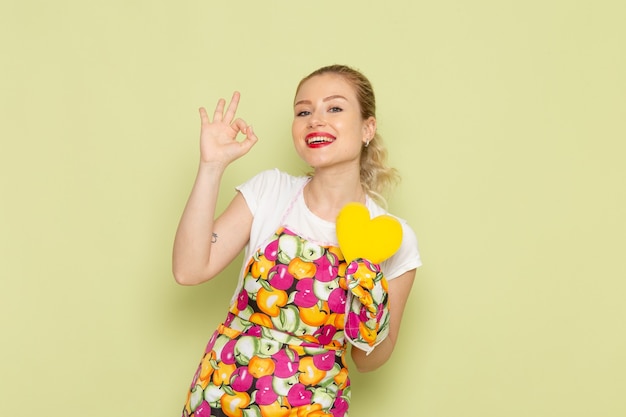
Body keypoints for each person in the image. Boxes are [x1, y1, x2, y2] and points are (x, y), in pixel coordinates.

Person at [173, 64, 421, 417]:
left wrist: (371, 296)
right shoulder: (269, 191)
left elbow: (367, 361)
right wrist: (211, 166)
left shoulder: (391, 238)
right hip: (221, 398)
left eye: (334, 108)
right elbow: (188, 269)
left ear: (368, 127)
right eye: (303, 111)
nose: (315, 120)